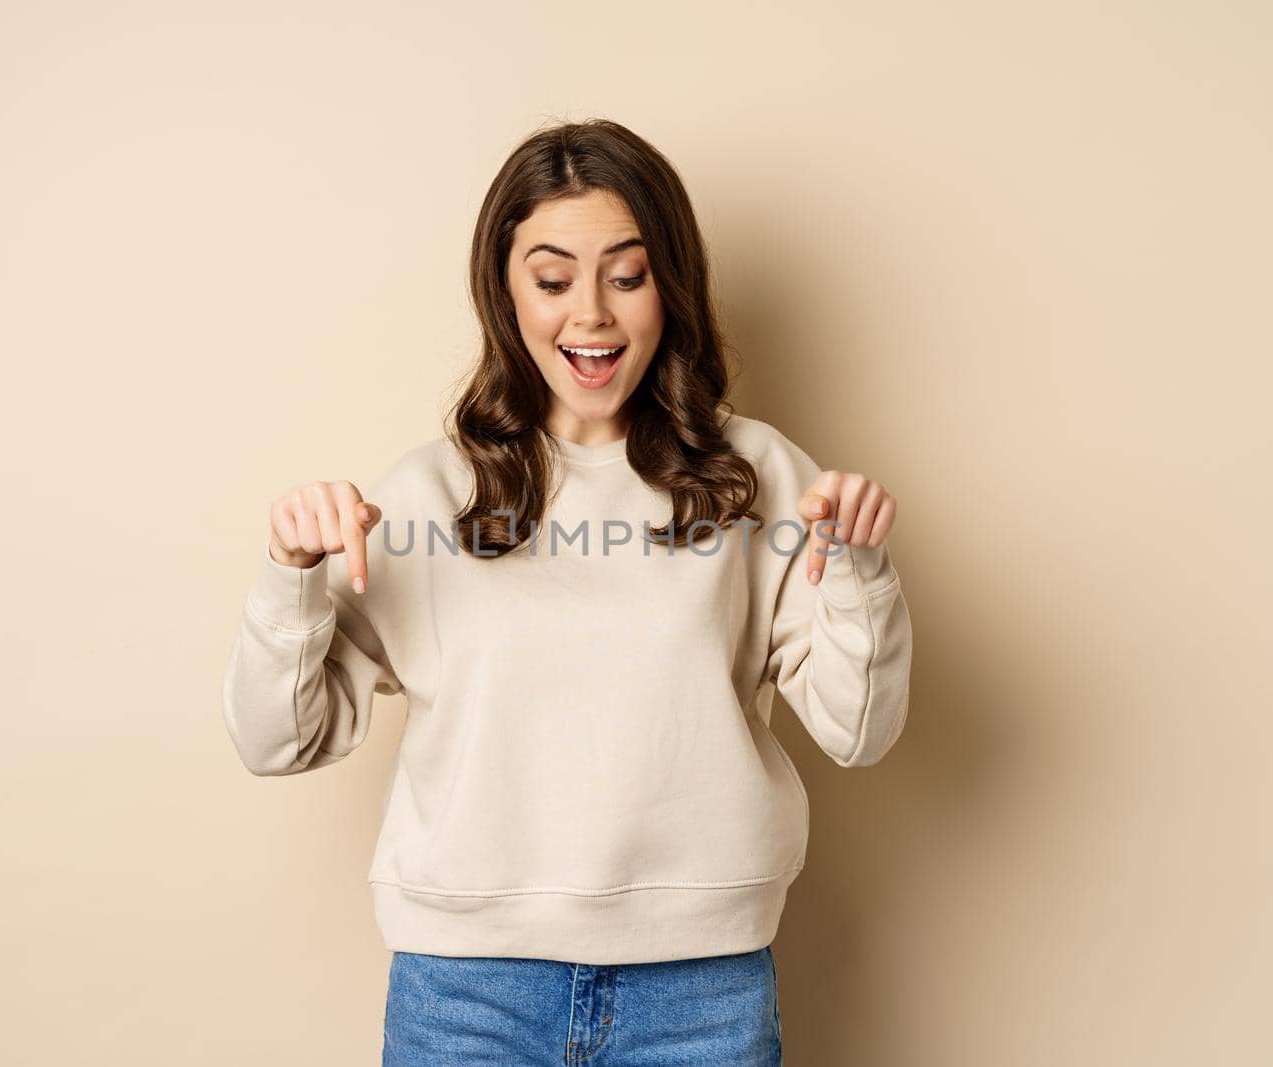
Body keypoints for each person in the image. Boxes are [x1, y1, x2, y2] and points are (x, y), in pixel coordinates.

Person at [221, 118, 914, 1066]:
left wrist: (860, 565)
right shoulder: (427, 496)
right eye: (552, 280)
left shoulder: (758, 477)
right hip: (465, 994)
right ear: (505, 293)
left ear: (670, 285)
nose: (590, 314)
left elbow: (859, 728)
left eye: (626, 277)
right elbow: (276, 739)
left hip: (701, 993)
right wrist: (291, 571)